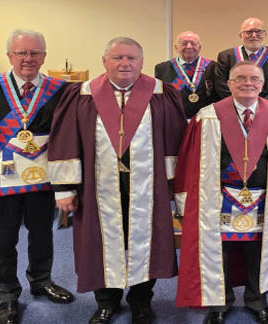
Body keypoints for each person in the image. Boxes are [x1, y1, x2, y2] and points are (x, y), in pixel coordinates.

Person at [49, 37, 186, 324]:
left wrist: (174, 186)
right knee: (99, 241)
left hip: (149, 187)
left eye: (131, 58)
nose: (125, 63)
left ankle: (141, 302)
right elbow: (65, 141)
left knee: (147, 240)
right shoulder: (83, 94)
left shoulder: (162, 94)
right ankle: (105, 302)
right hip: (96, 187)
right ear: (104, 61)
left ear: (142, 62)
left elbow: (176, 141)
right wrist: (64, 187)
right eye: (117, 58)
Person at [173, 61, 268, 324]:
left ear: (262, 84)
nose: (248, 83)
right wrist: (185, 199)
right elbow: (189, 161)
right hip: (219, 196)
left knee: (258, 250)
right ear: (230, 84)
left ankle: (257, 300)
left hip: (265, 197)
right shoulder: (207, 116)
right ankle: (219, 303)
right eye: (241, 79)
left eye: (254, 79)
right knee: (218, 250)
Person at [0, 29, 75, 324]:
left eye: (35, 53)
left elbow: (64, 134)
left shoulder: (59, 89)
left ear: (44, 56)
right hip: (1, 180)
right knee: (2, 241)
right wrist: (0, 159)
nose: (28, 59)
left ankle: (41, 281)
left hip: (41, 180)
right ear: (10, 56)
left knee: (42, 235)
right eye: (22, 53)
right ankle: (8, 296)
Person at [205, 17, 268, 105]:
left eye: (258, 32)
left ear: (265, 34)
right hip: (234, 108)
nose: (254, 35)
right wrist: (239, 104)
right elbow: (221, 84)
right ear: (240, 35)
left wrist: (262, 105)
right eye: (249, 32)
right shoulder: (226, 56)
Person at [154, 31, 214, 118]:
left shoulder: (213, 67)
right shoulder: (162, 69)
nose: (189, 46)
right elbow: (159, 99)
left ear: (199, 47)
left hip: (205, 120)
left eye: (193, 43)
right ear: (176, 47)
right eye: (184, 43)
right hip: (174, 120)